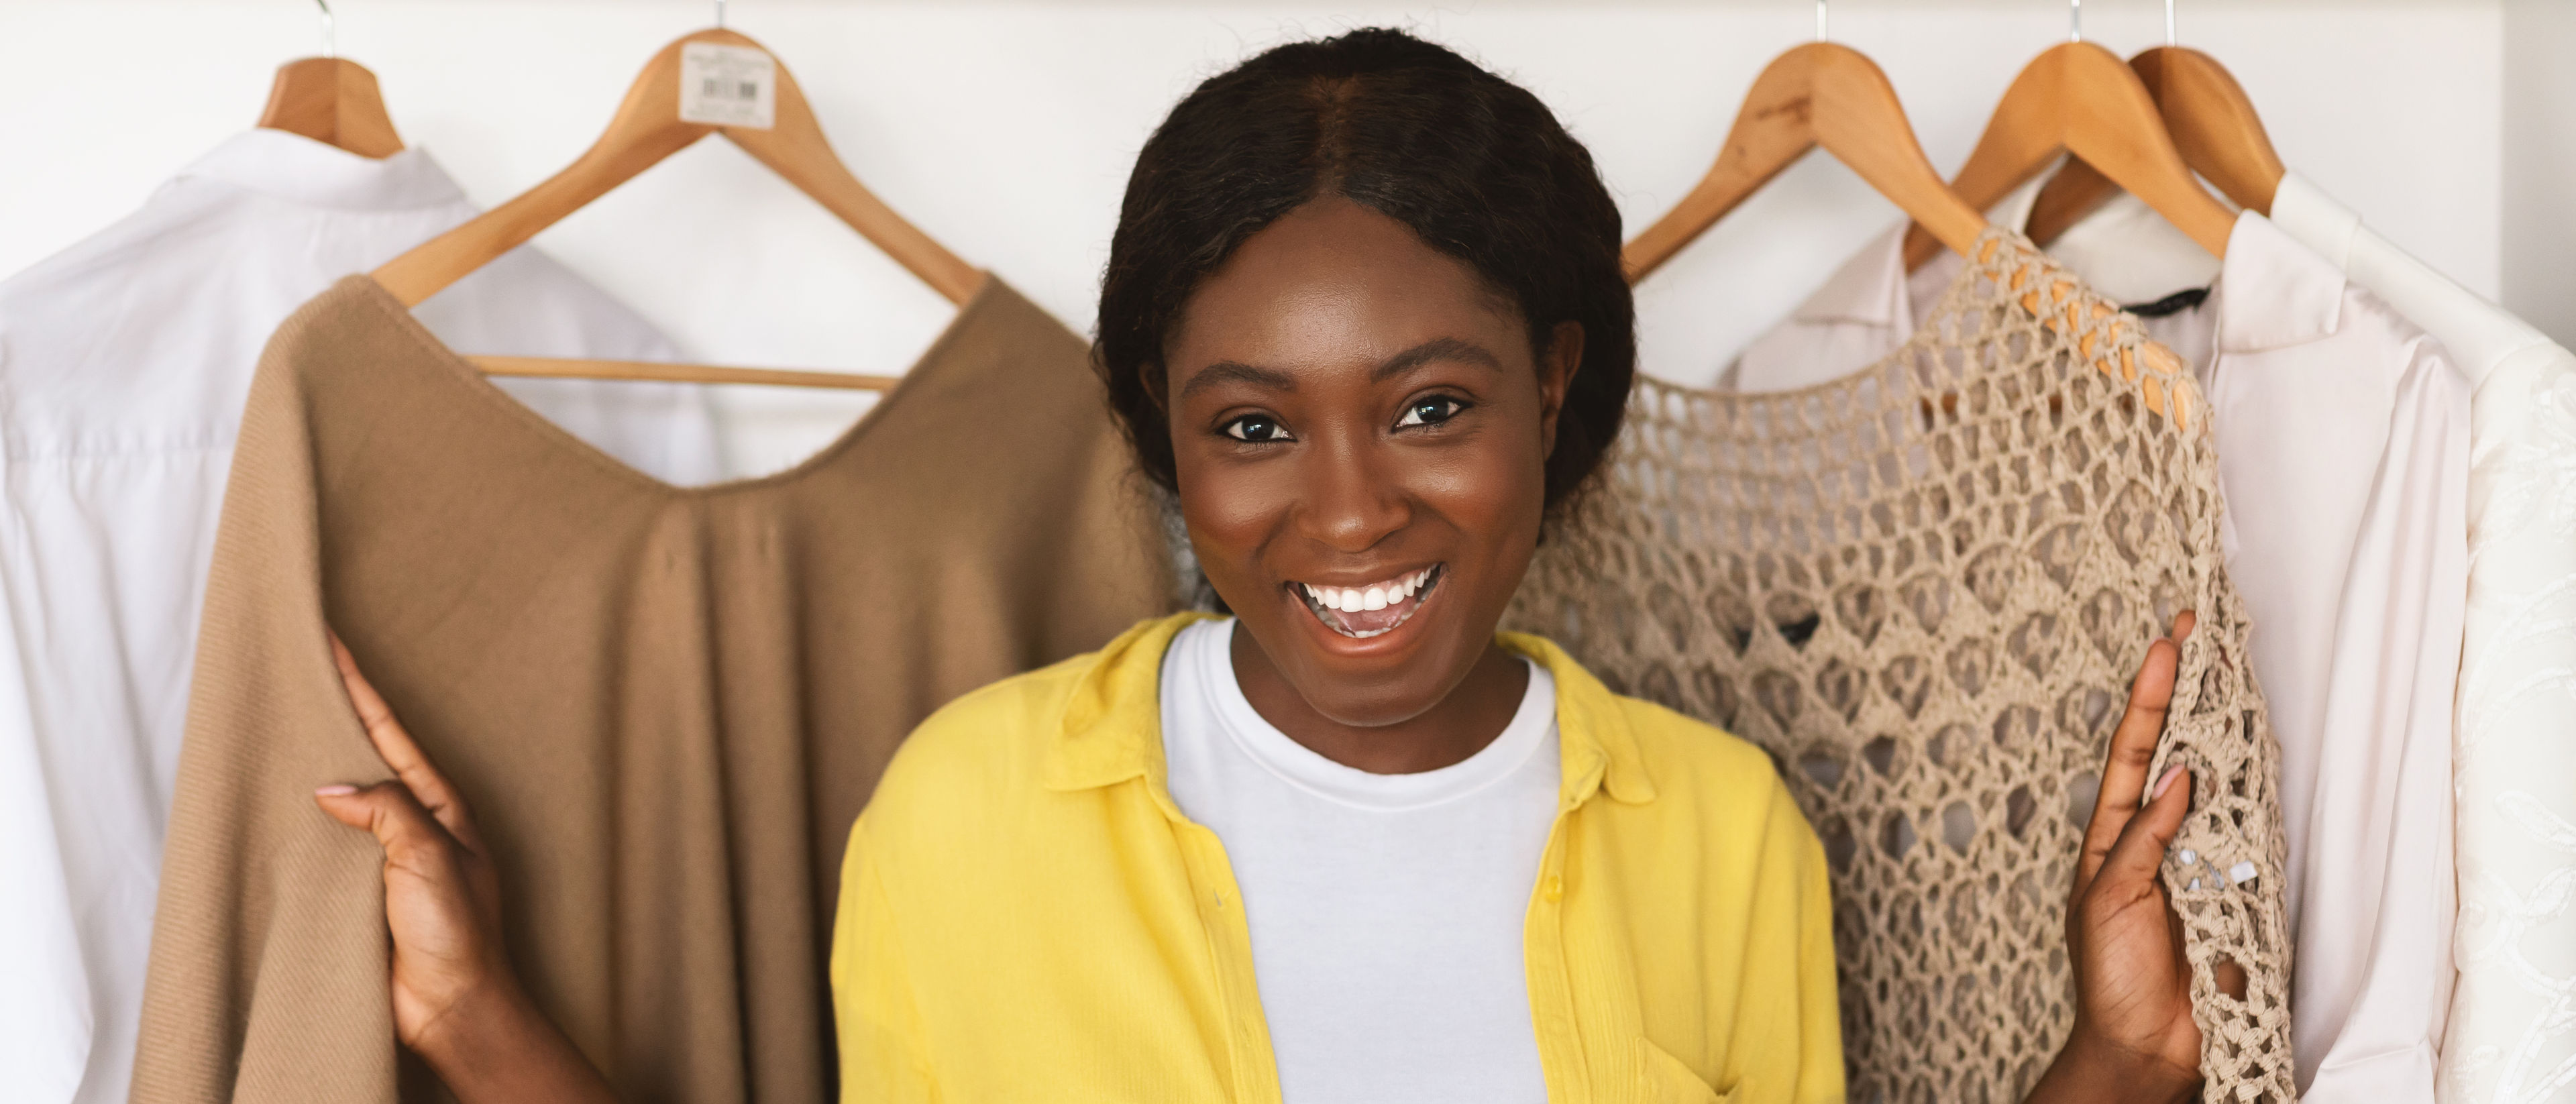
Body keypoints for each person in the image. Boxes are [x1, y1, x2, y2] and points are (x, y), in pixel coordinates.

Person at [311, 28, 2212, 1104]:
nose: (1349, 514)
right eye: (1249, 427)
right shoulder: (970, 811)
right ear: (1157, 427)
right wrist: (474, 1021)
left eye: (1428, 406)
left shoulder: (1723, 834)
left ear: (1554, 385)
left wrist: (2120, 1058)